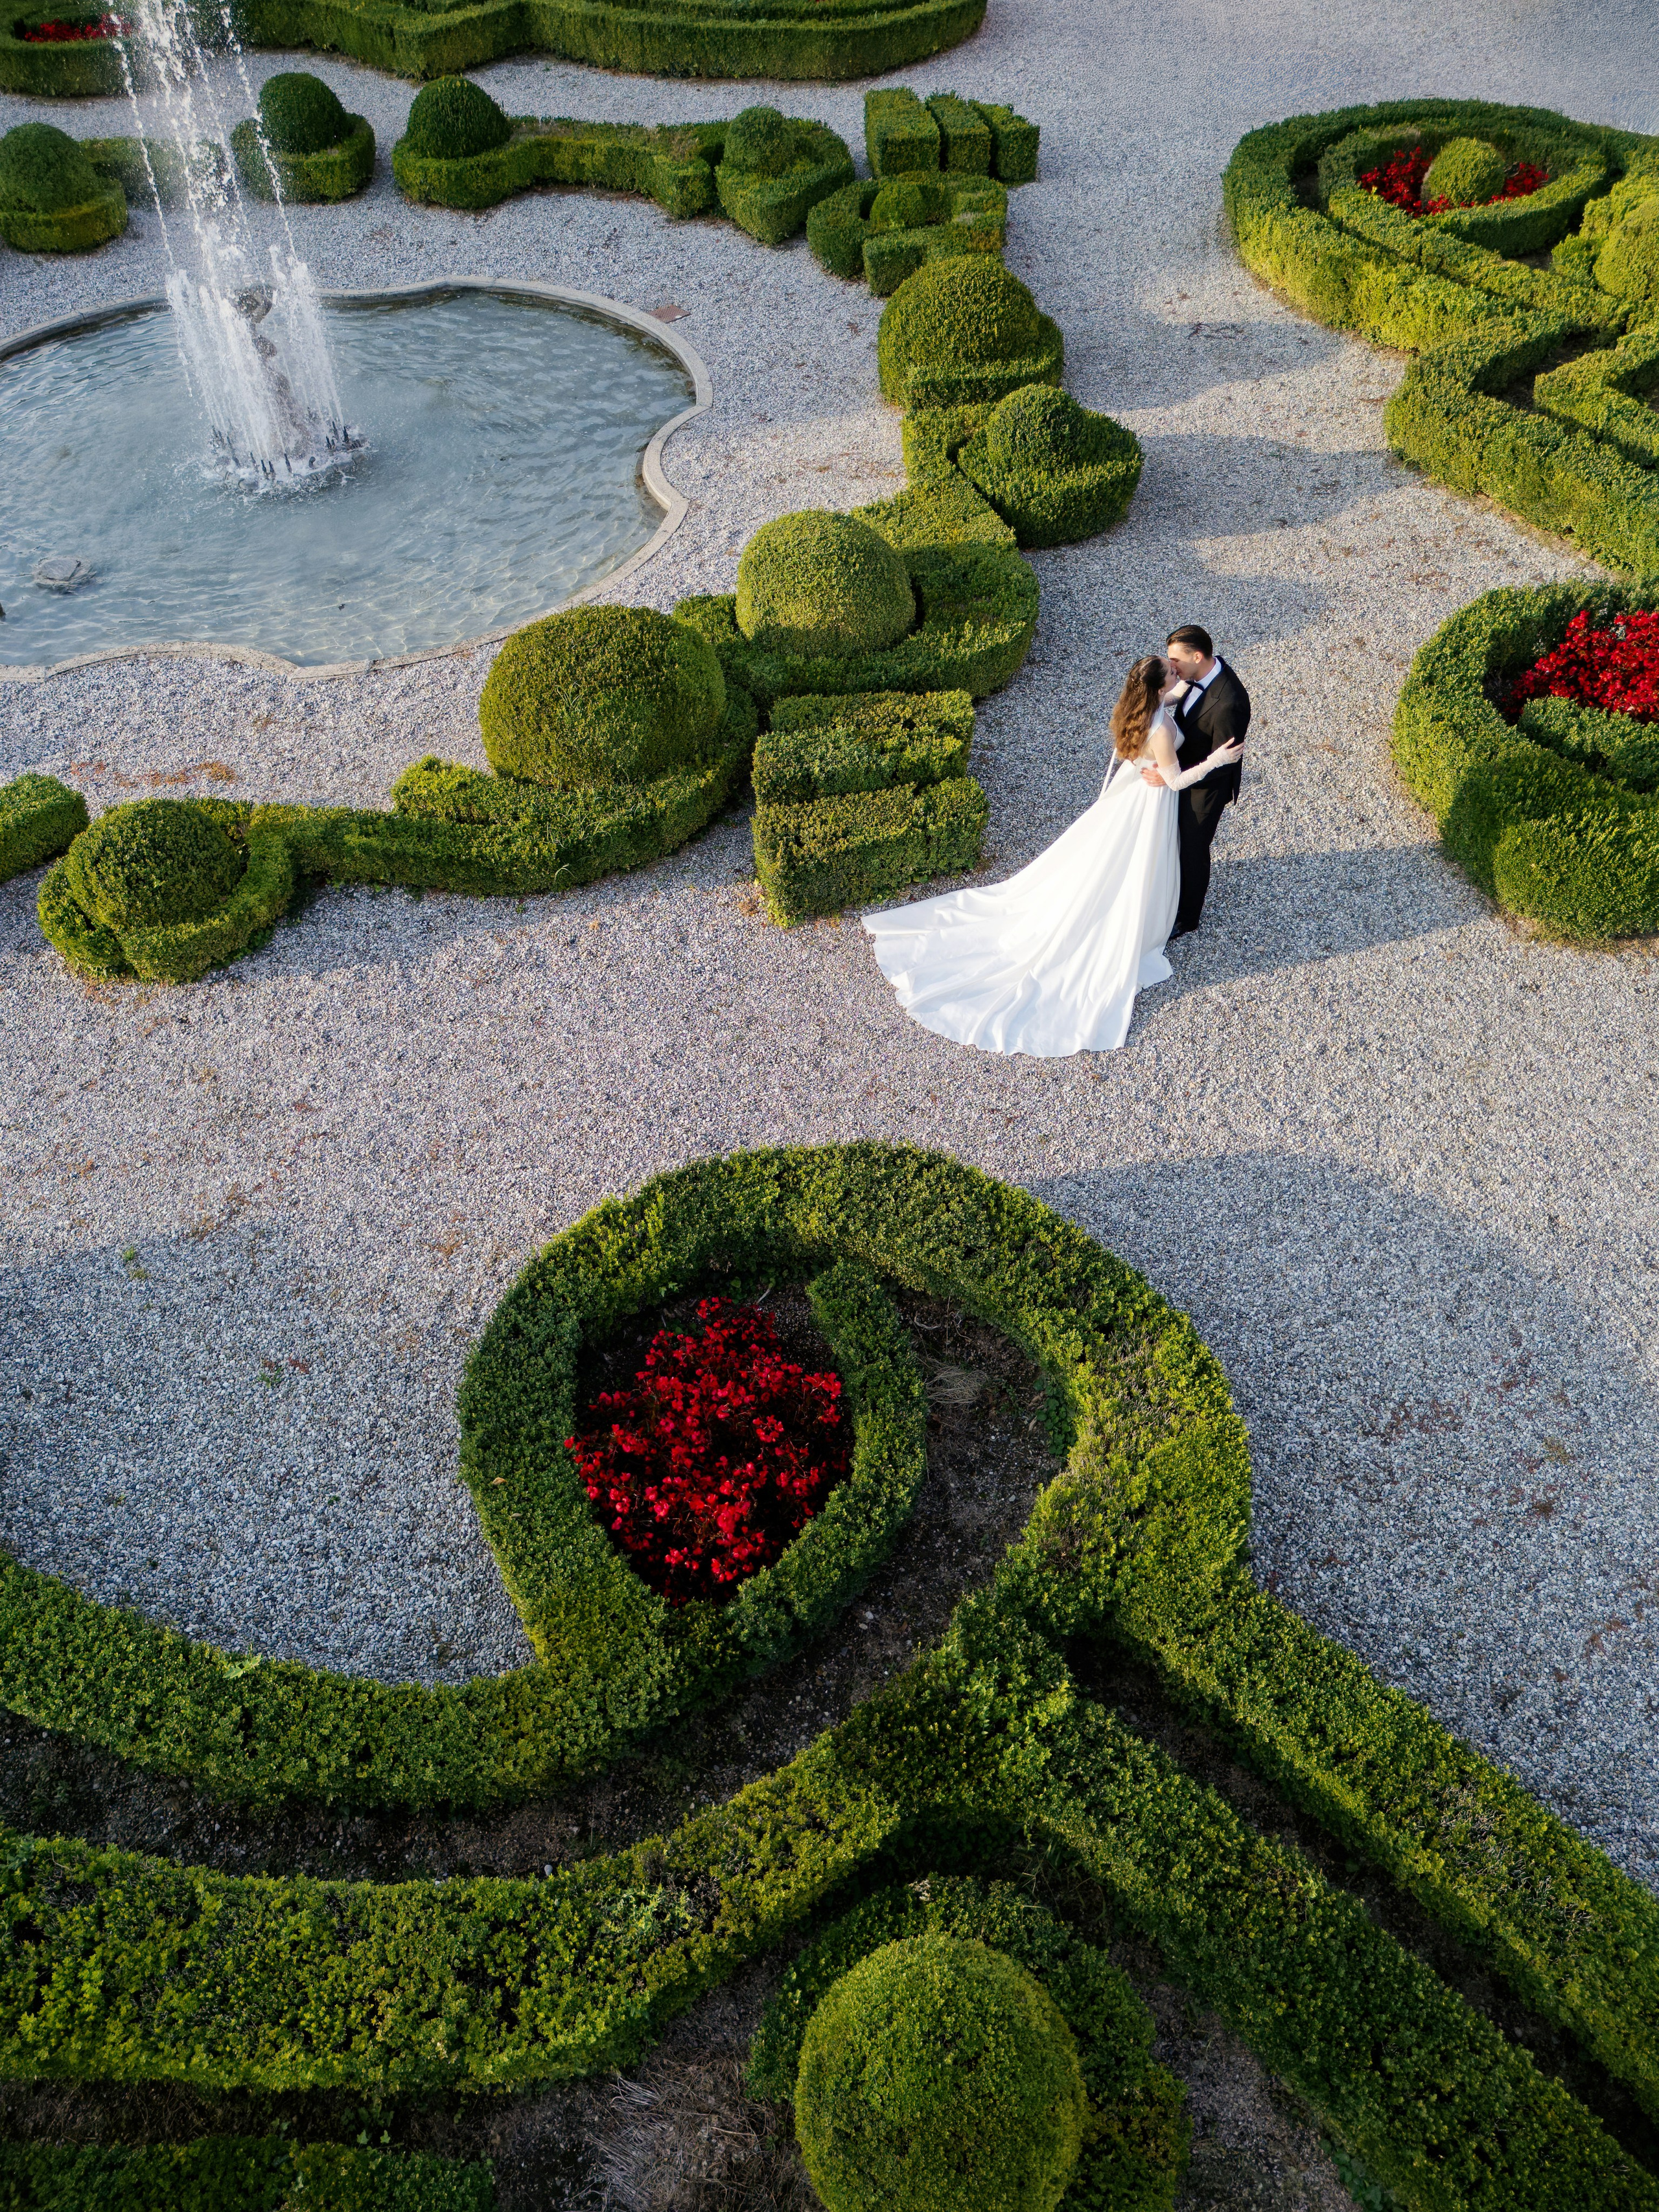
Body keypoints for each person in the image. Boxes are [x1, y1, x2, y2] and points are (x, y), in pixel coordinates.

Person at [863, 655, 1243, 1057]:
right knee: (1136, 865)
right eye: (1170, 670)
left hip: (1130, 795)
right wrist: (1216, 759)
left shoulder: (1137, 710)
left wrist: (1177, 692)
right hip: (1148, 804)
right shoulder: (1161, 732)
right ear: (1157, 686)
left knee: (1109, 861)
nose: (1176, 670)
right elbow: (1176, 780)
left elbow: (1163, 709)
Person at [1146, 624, 1250, 938]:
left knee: (1193, 850)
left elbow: (1224, 762)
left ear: (1198, 655)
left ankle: (1188, 917)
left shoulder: (1230, 701)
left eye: (1175, 660)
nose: (1171, 666)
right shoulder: (1190, 678)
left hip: (1205, 790)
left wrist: (1170, 777)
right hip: (1180, 771)